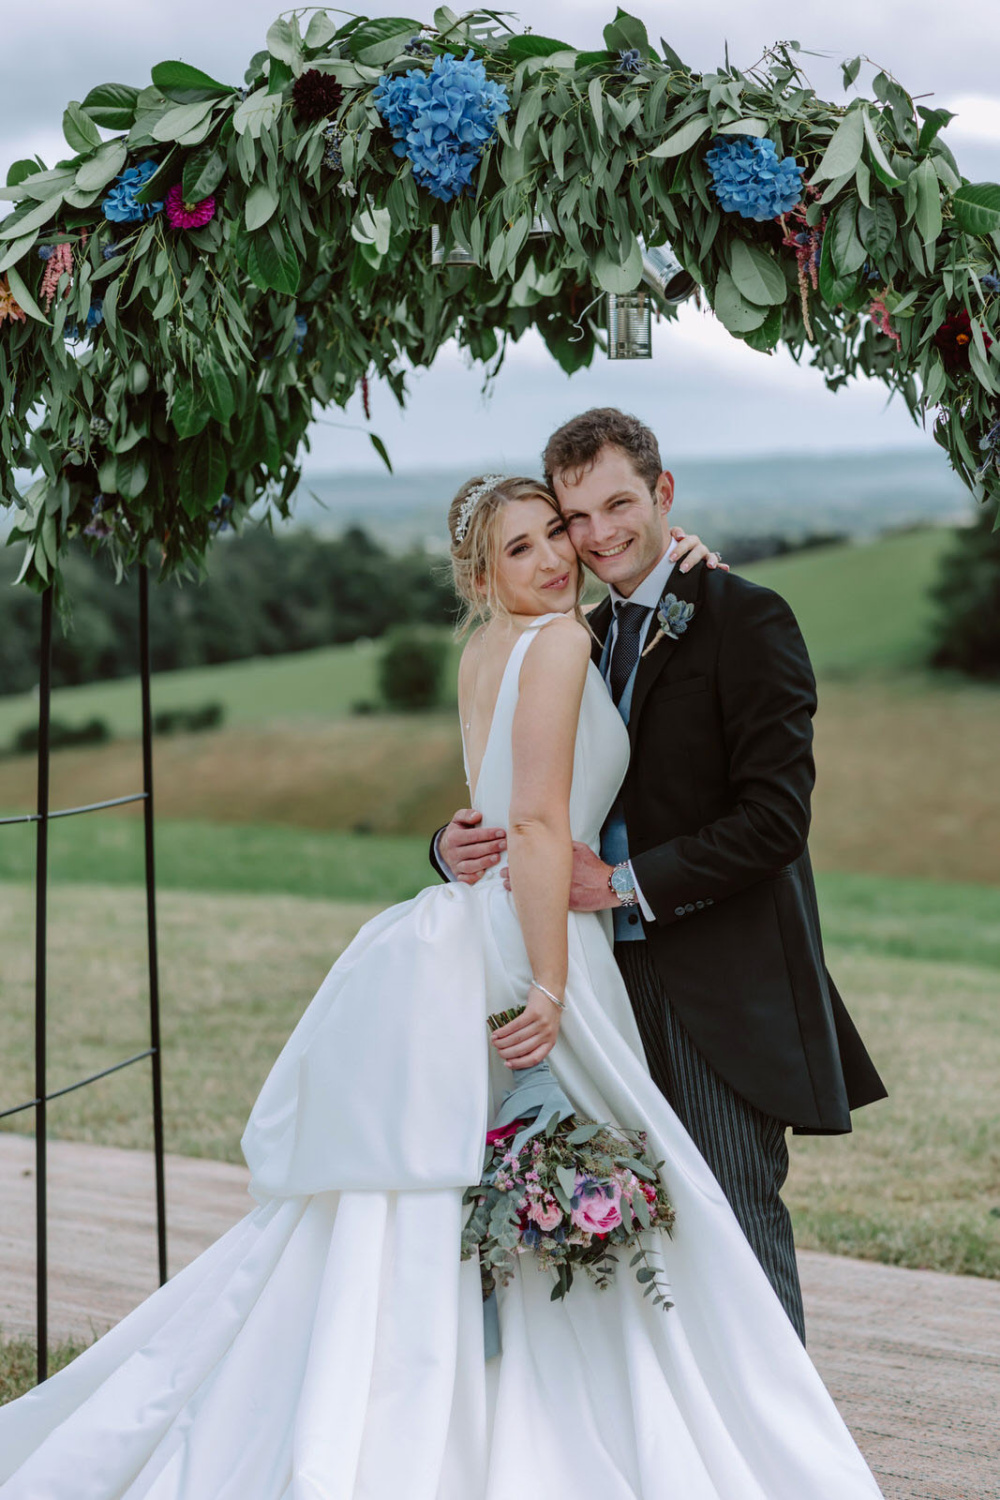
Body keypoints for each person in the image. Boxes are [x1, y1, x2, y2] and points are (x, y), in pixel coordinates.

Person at [0, 473, 884, 1499]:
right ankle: (632, 1426)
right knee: (591, 1179)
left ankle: (442, 1409)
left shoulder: (502, 645)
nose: (557, 556)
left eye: (559, 533)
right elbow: (540, 825)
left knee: (495, 1182)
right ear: (479, 572)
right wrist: (550, 985)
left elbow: (499, 803)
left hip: (497, 928)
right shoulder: (556, 643)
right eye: (523, 547)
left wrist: (692, 573)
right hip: (543, 946)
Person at [434, 409, 887, 1345]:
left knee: (736, 1217)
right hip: (606, 986)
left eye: (617, 506)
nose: (595, 537)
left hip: (716, 982)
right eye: (572, 518)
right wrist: (448, 849)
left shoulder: (744, 617)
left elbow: (775, 822)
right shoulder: (574, 633)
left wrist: (624, 885)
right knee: (643, 1226)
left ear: (663, 495)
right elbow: (526, 794)